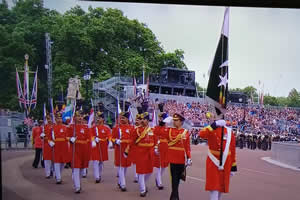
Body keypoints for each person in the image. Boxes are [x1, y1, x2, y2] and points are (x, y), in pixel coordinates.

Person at [198, 112, 237, 200]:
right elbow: (201, 134)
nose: (215, 117)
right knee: (214, 187)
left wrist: (233, 166)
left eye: (218, 115)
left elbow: (233, 149)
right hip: (213, 161)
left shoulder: (229, 132)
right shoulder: (211, 128)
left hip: (226, 162)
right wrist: (214, 125)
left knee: (221, 187)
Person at [126, 112, 157, 197]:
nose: (143, 121)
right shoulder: (136, 130)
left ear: (148, 121)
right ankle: (142, 189)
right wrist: (127, 150)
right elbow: (132, 141)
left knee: (150, 171)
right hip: (140, 152)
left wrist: (156, 148)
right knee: (141, 172)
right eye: (142, 119)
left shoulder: (152, 130)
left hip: (150, 153)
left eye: (145, 119)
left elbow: (155, 141)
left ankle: (143, 183)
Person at [167, 113, 192, 200]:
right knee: (173, 179)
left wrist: (189, 158)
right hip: (172, 159)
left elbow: (187, 147)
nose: (174, 122)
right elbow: (159, 133)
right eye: (174, 120)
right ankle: (175, 197)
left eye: (176, 120)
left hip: (181, 159)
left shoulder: (185, 132)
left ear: (181, 122)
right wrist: (162, 123)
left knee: (177, 179)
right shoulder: (169, 130)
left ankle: (173, 196)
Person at [68, 111, 90, 193]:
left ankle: (77, 182)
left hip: (84, 150)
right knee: (76, 167)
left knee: (81, 168)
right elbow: (67, 136)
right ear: (75, 117)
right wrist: (70, 139)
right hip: (75, 150)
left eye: (81, 116)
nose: (80, 118)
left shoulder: (86, 127)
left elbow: (88, 138)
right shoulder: (71, 127)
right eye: (78, 116)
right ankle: (77, 186)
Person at [111, 112, 134, 192]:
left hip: (127, 149)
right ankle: (123, 184)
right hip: (119, 148)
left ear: (127, 119)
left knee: (125, 166)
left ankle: (120, 181)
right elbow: (112, 137)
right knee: (121, 166)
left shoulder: (131, 128)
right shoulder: (117, 127)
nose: (121, 119)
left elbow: (133, 138)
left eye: (123, 118)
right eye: (121, 118)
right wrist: (116, 140)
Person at [90, 111, 112, 183]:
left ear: (103, 119)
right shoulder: (94, 127)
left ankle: (99, 174)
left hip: (103, 145)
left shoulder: (106, 127)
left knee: (100, 162)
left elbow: (109, 135)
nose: (98, 119)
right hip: (96, 145)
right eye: (97, 118)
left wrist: (110, 142)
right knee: (95, 161)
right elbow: (91, 135)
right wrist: (93, 140)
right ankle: (96, 176)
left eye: (99, 118)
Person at [50, 112, 69, 184]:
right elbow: (49, 136)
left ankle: (59, 174)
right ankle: (58, 178)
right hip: (56, 145)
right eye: (57, 118)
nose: (59, 119)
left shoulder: (65, 127)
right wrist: (50, 141)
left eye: (60, 118)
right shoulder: (53, 127)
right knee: (57, 161)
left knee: (62, 162)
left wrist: (69, 139)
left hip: (64, 145)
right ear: (55, 119)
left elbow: (67, 136)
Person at [153, 112, 169, 190]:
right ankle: (159, 182)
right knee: (159, 165)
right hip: (159, 147)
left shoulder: (168, 128)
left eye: (162, 118)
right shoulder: (156, 128)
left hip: (166, 148)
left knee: (164, 166)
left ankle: (158, 178)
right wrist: (155, 147)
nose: (160, 120)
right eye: (160, 118)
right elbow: (154, 138)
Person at [40, 115, 54, 179]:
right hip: (47, 144)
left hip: (54, 144)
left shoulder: (54, 126)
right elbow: (42, 136)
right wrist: (43, 136)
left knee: (53, 159)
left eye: (50, 119)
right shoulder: (44, 127)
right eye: (48, 119)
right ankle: (47, 173)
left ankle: (52, 171)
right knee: (47, 159)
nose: (49, 120)